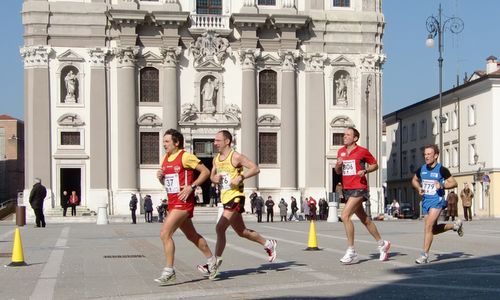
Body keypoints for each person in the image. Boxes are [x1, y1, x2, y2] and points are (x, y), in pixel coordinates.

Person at [209, 130, 277, 279]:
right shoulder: (216, 159)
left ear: (227, 141)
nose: (215, 143)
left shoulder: (236, 156)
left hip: (236, 197)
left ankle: (214, 264)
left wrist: (241, 177)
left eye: (218, 140)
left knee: (220, 228)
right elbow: (212, 177)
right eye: (215, 141)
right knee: (242, 232)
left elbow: (255, 168)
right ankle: (268, 244)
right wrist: (216, 178)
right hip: (225, 198)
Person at [154, 129, 216, 285]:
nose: (164, 144)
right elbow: (168, 184)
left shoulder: (186, 156)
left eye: (167, 141)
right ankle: (212, 261)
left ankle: (169, 271)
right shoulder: (165, 158)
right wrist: (161, 178)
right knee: (192, 236)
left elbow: (206, 172)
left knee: (164, 233)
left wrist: (192, 187)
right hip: (172, 202)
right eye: (164, 141)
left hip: (183, 202)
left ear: (177, 143)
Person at [335, 127, 390, 264]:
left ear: (355, 138)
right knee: (365, 220)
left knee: (345, 215)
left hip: (360, 188)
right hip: (348, 189)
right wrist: (339, 165)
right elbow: (337, 171)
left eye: (348, 135)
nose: (345, 137)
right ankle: (382, 243)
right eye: (344, 135)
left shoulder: (362, 151)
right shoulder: (341, 151)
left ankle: (351, 251)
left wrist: (364, 170)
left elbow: (375, 165)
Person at [411, 144, 463, 264]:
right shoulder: (422, 169)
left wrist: (442, 185)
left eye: (429, 154)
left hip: (437, 200)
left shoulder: (441, 170)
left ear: (436, 156)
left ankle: (424, 255)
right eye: (425, 154)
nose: (426, 156)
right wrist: (418, 188)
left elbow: (454, 183)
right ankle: (454, 226)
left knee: (428, 226)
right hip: (426, 201)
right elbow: (414, 180)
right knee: (433, 230)